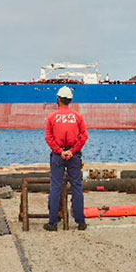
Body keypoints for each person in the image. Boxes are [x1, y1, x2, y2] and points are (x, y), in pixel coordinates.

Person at [44, 86, 89, 231]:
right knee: (77, 187)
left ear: (58, 99)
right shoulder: (78, 117)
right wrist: (72, 151)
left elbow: (49, 138)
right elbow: (84, 136)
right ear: (70, 100)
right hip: (74, 156)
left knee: (56, 187)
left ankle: (53, 222)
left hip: (58, 156)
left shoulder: (52, 117)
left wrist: (59, 151)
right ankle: (81, 222)